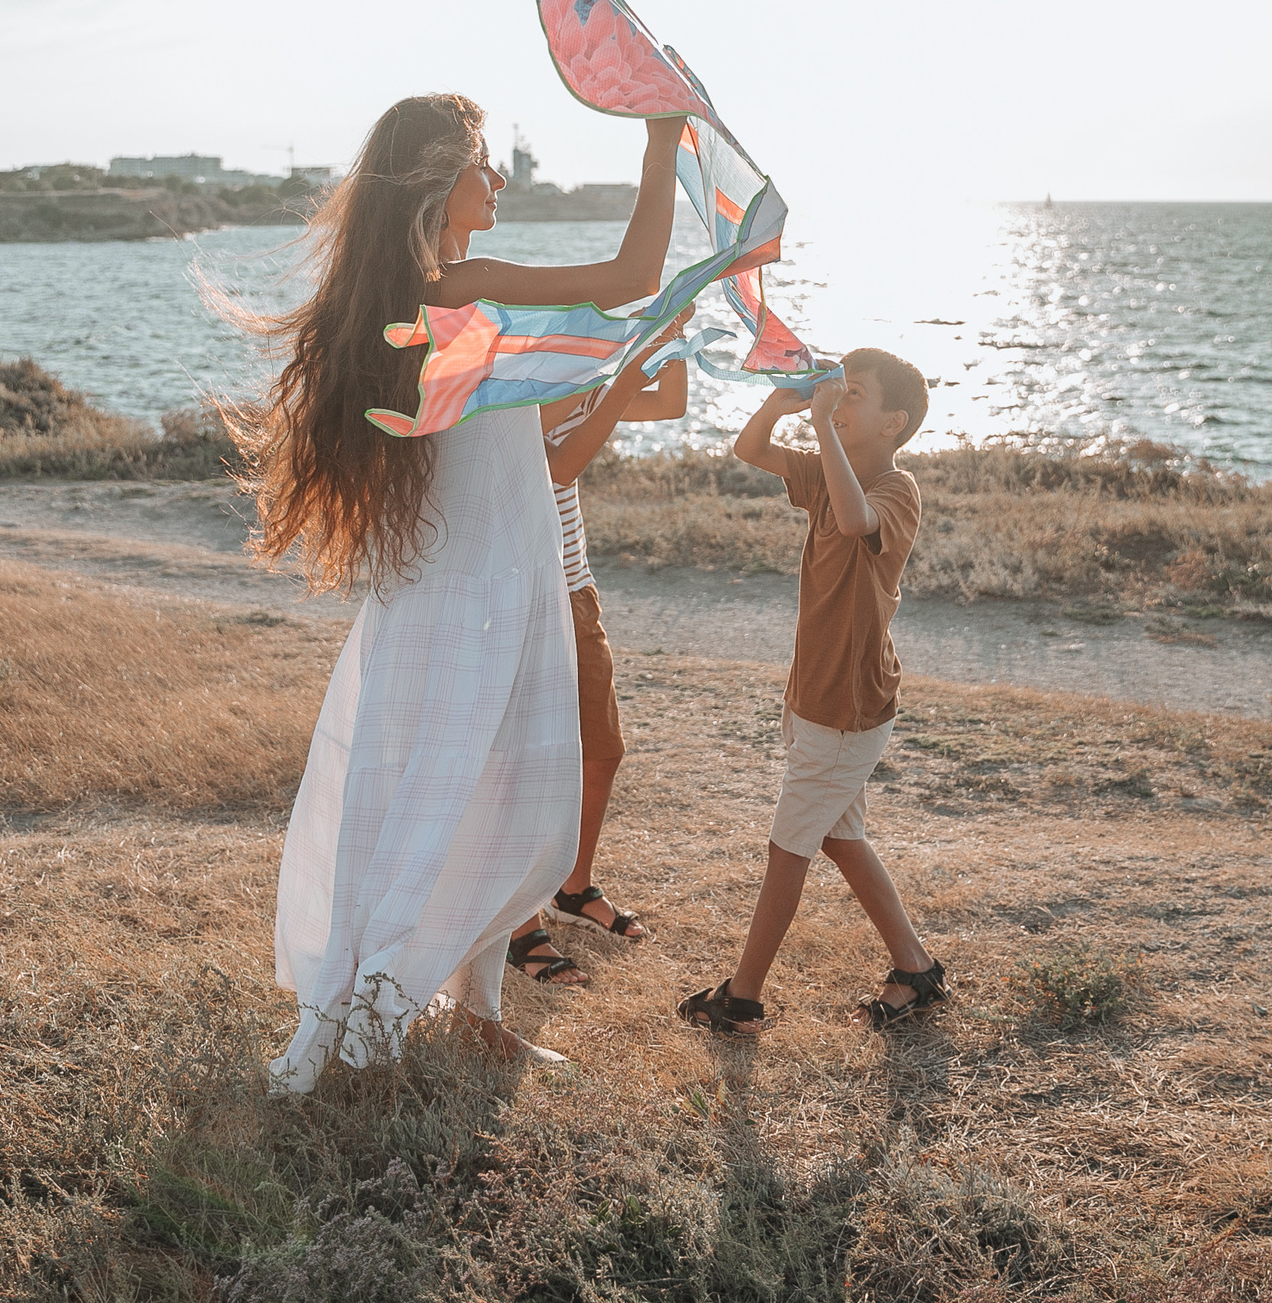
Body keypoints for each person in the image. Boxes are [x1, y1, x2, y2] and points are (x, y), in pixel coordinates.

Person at [232, 93, 687, 1091]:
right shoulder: (462, 286)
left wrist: (636, 359)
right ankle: (386, 1002)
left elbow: (547, 453)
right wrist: (659, 145)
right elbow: (630, 276)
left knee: (442, 794)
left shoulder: (426, 304)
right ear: (440, 178)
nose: (502, 180)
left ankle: (462, 1008)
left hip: (455, 594)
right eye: (486, 162)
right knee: (476, 795)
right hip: (481, 598)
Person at [676, 348, 947, 1036]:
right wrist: (786, 401)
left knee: (789, 845)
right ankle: (915, 967)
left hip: (847, 707)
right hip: (814, 696)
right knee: (840, 836)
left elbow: (859, 523)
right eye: (839, 389)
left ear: (894, 422)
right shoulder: (827, 474)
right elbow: (750, 446)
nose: (841, 400)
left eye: (855, 393)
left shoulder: (896, 489)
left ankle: (741, 997)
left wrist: (824, 426)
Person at [504, 318, 690, 988]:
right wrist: (620, 366)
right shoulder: (513, 405)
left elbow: (669, 404)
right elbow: (562, 462)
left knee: (601, 749)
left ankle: (573, 888)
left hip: (577, 594)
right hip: (527, 603)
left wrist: (671, 342)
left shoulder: (575, 392)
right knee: (532, 769)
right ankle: (519, 926)